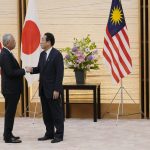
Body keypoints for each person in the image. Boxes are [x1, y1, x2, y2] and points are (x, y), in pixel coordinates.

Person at [26, 32, 64, 143]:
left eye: (42, 40)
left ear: (49, 42)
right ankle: (49, 133)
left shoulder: (57, 54)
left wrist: (57, 89)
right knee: (46, 114)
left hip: (53, 90)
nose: (40, 42)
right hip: (43, 89)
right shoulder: (42, 54)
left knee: (56, 113)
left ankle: (59, 135)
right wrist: (32, 69)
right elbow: (40, 69)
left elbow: (59, 73)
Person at [0, 34, 25, 143]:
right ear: (8, 43)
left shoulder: (7, 53)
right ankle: (7, 137)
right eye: (14, 40)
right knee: (10, 113)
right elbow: (10, 73)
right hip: (10, 89)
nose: (15, 42)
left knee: (10, 113)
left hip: (11, 89)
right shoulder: (5, 55)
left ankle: (8, 134)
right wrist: (24, 70)